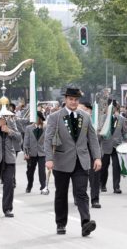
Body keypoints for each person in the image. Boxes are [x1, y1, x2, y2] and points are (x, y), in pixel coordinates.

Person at [44, 88, 102, 237]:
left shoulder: (86, 117)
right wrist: (49, 159)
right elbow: (48, 140)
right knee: (61, 194)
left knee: (81, 193)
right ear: (65, 100)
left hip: (81, 161)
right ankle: (61, 223)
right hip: (61, 161)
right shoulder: (54, 117)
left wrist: (97, 157)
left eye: (76, 99)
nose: (74, 102)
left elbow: (93, 139)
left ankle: (85, 223)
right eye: (71, 99)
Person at [100, 99, 127, 194]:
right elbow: (99, 130)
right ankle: (102, 185)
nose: (112, 109)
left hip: (117, 146)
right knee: (104, 166)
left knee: (117, 167)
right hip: (105, 146)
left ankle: (116, 187)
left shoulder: (121, 119)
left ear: (116, 108)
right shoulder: (103, 118)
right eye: (110, 107)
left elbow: (125, 132)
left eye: (114, 107)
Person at [80, 102, 102, 208]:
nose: (85, 112)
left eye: (86, 109)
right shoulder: (79, 120)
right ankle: (79, 198)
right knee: (80, 177)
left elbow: (99, 138)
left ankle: (95, 200)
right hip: (80, 151)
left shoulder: (97, 121)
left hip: (93, 151)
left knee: (95, 177)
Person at [23, 111, 46, 194]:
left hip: (42, 153)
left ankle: (43, 187)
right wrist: (26, 153)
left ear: (39, 118)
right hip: (31, 153)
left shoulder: (45, 128)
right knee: (30, 171)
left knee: (42, 171)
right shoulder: (29, 128)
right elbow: (26, 142)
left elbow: (48, 140)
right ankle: (29, 185)